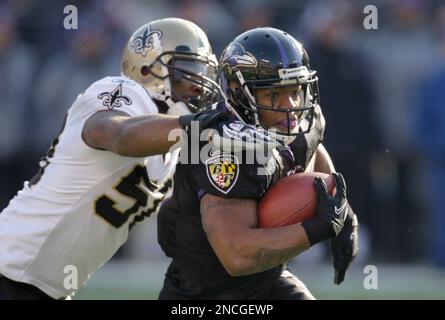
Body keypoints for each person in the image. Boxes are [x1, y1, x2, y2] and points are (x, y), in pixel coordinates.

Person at [0, 17, 222, 300]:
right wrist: (201, 127)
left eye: (202, 72)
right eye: (187, 71)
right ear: (147, 67)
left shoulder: (174, 141)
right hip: (11, 268)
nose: (198, 86)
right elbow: (117, 134)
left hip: (47, 287)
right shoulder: (123, 92)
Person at [157, 27, 359, 300]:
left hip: (268, 278)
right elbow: (236, 255)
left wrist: (343, 212)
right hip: (205, 293)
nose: (290, 105)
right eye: (274, 94)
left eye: (296, 90)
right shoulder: (223, 146)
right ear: (240, 93)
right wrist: (316, 229)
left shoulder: (299, 123)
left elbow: (311, 148)